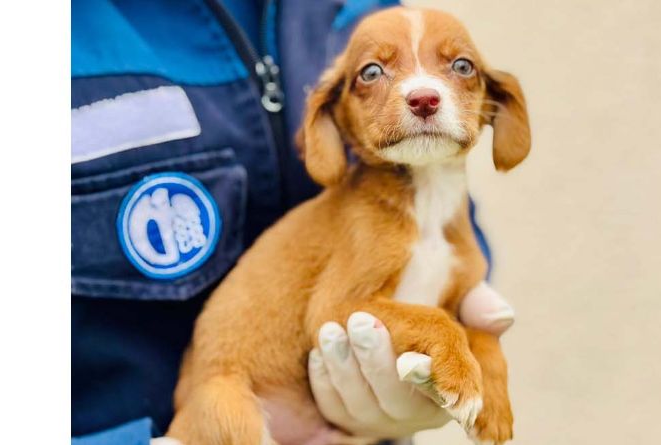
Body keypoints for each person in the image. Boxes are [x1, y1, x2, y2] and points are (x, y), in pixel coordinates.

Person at [71, 0, 515, 443]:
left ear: (496, 103)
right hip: (230, 399)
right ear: (332, 112)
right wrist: (438, 336)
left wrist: (476, 345)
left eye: (459, 67)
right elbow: (338, 310)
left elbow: (449, 293)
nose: (423, 92)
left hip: (348, 430)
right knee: (224, 406)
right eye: (373, 73)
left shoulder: (355, 8)